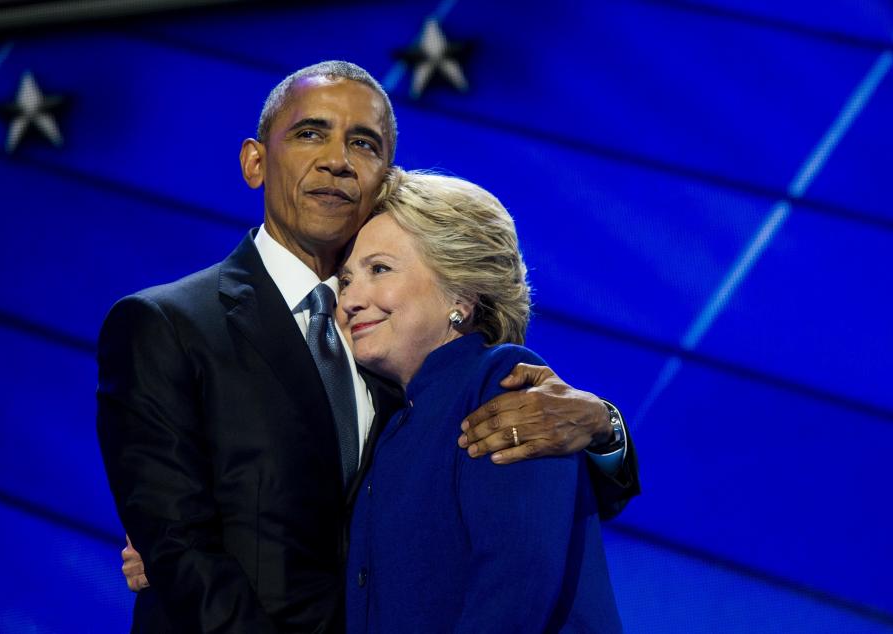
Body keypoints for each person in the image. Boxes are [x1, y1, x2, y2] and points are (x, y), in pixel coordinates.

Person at [98, 61, 638, 633]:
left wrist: (605, 428)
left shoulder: (407, 348)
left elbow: (530, 513)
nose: (337, 159)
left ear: (384, 176)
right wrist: (161, 547)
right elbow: (181, 551)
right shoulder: (166, 325)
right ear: (255, 162)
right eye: (310, 133)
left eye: (363, 142)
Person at [340, 169, 622, 632]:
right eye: (346, 279)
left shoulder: (502, 382)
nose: (351, 298)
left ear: (462, 295)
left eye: (379, 269)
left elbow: (515, 582)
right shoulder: (397, 417)